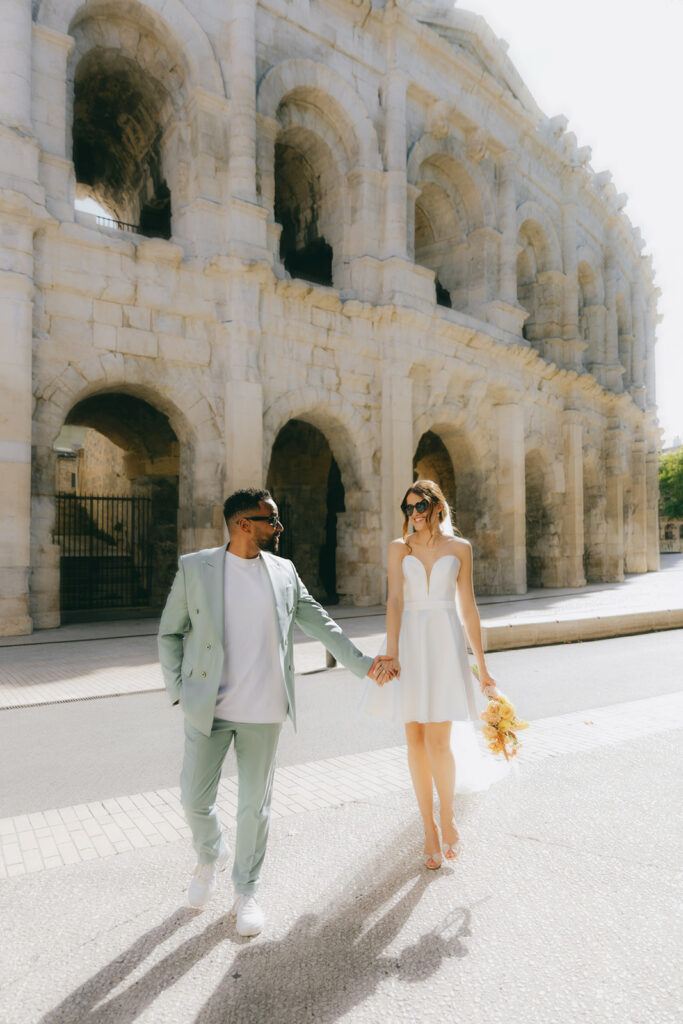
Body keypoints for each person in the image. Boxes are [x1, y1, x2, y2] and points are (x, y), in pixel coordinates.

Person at [158, 487, 394, 936]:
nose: (279, 527)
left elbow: (319, 620)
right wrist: (179, 691)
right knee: (193, 799)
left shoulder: (284, 571)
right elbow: (169, 633)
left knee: (255, 807)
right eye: (271, 520)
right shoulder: (196, 568)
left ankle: (246, 891)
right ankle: (211, 854)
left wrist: (363, 664)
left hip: (264, 707)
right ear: (243, 523)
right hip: (208, 707)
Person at [363, 479, 507, 869]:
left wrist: (483, 668)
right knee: (414, 740)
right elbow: (394, 601)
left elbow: (469, 609)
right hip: (408, 643)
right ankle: (428, 829)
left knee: (439, 742)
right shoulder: (399, 548)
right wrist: (392, 652)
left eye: (420, 506)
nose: (413, 514)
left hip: (444, 642)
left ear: (437, 507)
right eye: (408, 508)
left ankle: (448, 816)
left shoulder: (461, 548)